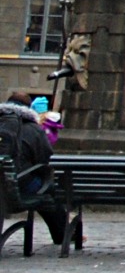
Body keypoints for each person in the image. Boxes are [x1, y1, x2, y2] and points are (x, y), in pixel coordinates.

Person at [0, 90, 69, 249]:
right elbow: (46, 159)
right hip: (17, 186)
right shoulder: (33, 128)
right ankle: (64, 234)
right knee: (47, 190)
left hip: (2, 186)